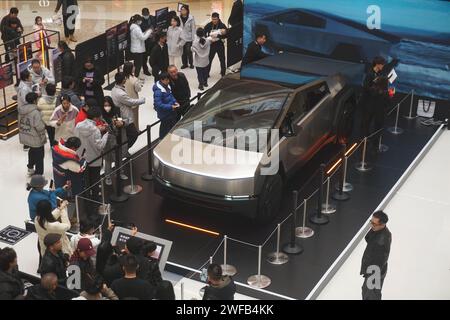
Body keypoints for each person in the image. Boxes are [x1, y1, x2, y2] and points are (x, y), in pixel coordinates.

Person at [75, 107, 109, 202]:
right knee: (95, 180)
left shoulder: (78, 125)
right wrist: (106, 135)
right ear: (95, 118)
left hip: (81, 157)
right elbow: (100, 146)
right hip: (94, 158)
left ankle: (86, 197)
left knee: (85, 180)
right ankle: (95, 199)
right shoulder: (95, 131)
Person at [360, 211, 392, 300]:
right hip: (373, 269)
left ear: (382, 224)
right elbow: (368, 238)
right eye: (371, 222)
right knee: (367, 291)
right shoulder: (377, 229)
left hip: (374, 271)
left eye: (374, 224)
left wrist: (370, 274)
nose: (371, 225)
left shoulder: (381, 242)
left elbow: (378, 263)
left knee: (370, 294)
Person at [111, 72, 145, 150]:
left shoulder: (114, 89)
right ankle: (124, 150)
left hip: (120, 115)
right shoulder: (120, 93)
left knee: (125, 135)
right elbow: (130, 102)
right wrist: (142, 100)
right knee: (133, 134)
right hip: (125, 116)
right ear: (123, 80)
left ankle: (123, 150)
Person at [360, 57, 390, 143]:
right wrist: (375, 89)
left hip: (376, 101)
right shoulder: (370, 74)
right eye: (382, 64)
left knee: (372, 119)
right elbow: (365, 87)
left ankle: (368, 135)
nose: (383, 66)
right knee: (366, 120)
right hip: (368, 101)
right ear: (377, 64)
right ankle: (363, 136)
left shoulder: (380, 73)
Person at [19, 92, 47, 176]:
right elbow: (39, 127)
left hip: (26, 135)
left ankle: (30, 167)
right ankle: (38, 174)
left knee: (31, 151)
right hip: (36, 138)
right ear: (35, 100)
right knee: (39, 156)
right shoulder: (35, 112)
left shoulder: (21, 110)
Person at [101, 96, 128, 185]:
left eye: (108, 105)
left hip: (118, 137)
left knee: (119, 157)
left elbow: (127, 120)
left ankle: (120, 172)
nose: (107, 107)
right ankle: (107, 177)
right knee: (108, 160)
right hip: (107, 140)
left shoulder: (117, 110)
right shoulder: (101, 114)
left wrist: (122, 123)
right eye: (105, 105)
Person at [153, 72, 179, 138]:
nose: (168, 81)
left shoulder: (167, 86)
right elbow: (158, 104)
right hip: (164, 113)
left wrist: (175, 102)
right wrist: (170, 106)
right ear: (162, 80)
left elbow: (171, 96)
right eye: (166, 80)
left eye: (168, 79)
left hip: (170, 111)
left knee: (171, 126)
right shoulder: (158, 91)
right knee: (164, 129)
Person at [205, 12, 228, 77]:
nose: (214, 21)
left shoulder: (222, 25)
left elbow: (227, 35)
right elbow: (204, 32)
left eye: (215, 19)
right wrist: (208, 39)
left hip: (220, 45)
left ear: (218, 19)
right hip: (211, 45)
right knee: (209, 59)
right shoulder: (209, 25)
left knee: (222, 59)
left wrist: (218, 36)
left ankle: (223, 73)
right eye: (213, 19)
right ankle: (207, 73)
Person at [123, 62, 142, 129]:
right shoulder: (134, 79)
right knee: (135, 117)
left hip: (124, 101)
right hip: (133, 102)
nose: (134, 68)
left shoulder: (122, 78)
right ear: (130, 69)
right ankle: (136, 130)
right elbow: (138, 89)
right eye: (133, 67)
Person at [179, 5, 196, 69]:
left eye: (184, 9)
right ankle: (184, 64)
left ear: (187, 10)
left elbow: (193, 29)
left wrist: (193, 39)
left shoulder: (191, 18)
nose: (182, 11)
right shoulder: (179, 18)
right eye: (181, 9)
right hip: (181, 38)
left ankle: (191, 63)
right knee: (183, 52)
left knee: (189, 51)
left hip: (188, 38)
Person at [141, 8, 156, 77]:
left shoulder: (153, 18)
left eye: (146, 14)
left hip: (153, 40)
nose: (145, 16)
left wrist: (154, 31)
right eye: (144, 15)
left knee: (154, 56)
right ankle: (145, 70)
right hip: (145, 42)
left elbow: (156, 25)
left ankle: (154, 69)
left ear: (149, 13)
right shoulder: (140, 21)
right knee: (145, 57)